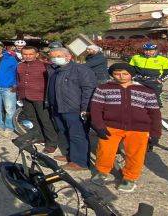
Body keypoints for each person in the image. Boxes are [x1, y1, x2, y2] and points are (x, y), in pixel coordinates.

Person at [90, 63, 161, 192]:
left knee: (135, 154)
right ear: (112, 75)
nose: (121, 76)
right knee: (105, 151)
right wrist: (98, 126)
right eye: (117, 74)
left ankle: (129, 178)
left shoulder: (146, 91)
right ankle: (102, 172)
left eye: (125, 73)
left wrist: (156, 133)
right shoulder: (103, 88)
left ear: (131, 75)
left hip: (138, 129)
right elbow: (95, 109)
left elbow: (155, 113)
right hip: (111, 126)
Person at [47, 47, 97, 171]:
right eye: (52, 56)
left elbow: (89, 90)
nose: (55, 59)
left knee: (77, 135)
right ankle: (71, 155)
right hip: (58, 107)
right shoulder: (55, 70)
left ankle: (80, 162)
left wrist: (86, 108)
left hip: (74, 109)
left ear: (68, 57)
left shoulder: (81, 70)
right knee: (65, 132)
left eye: (58, 56)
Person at [16, 46, 58, 153]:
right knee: (33, 119)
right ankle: (39, 136)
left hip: (40, 97)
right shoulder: (20, 66)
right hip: (25, 96)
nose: (28, 56)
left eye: (30, 54)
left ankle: (51, 143)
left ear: (36, 54)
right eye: (25, 54)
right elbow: (19, 80)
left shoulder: (45, 66)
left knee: (45, 120)